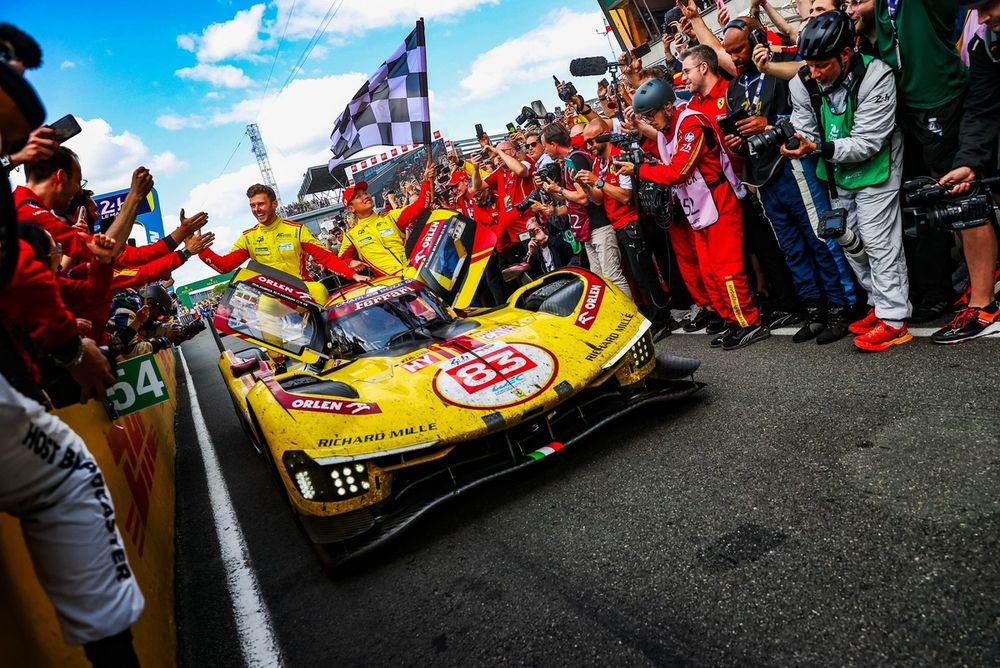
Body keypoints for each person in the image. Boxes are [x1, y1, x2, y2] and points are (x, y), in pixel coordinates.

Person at [783, 10, 912, 352]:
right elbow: (805, 129)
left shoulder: (876, 75)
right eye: (809, 64)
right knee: (850, 242)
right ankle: (877, 304)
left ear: (845, 53)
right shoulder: (802, 82)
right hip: (837, 172)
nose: (814, 73)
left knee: (878, 242)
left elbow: (869, 141)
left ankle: (894, 319)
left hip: (877, 167)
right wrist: (797, 140)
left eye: (822, 65)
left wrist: (818, 147)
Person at [721, 21, 856, 343]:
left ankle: (841, 306)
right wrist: (737, 141)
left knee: (819, 237)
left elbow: (806, 116)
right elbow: (737, 136)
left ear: (756, 40)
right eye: (729, 52)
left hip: (792, 165)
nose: (734, 58)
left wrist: (770, 123)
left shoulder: (782, 71)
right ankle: (814, 309)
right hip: (762, 176)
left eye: (739, 49)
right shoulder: (733, 87)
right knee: (791, 247)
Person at [617, 77, 770, 351]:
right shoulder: (666, 130)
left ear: (667, 106)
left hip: (719, 200)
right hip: (697, 207)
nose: (650, 121)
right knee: (709, 271)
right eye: (645, 117)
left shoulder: (692, 123)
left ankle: (749, 322)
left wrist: (638, 170)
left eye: (651, 115)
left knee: (727, 269)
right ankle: (731, 320)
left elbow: (678, 171)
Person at [871, 0, 973, 323]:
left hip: (939, 98)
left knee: (957, 193)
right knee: (919, 199)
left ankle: (981, 280)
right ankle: (935, 289)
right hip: (905, 106)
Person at [928, 0, 1000, 343]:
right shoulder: (984, 40)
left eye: (988, 6)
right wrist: (968, 163)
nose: (981, 18)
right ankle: (984, 306)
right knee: (968, 200)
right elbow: (982, 107)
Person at [576, 118, 675, 339]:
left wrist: (598, 182)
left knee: (645, 274)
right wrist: (588, 186)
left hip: (632, 222)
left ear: (604, 135)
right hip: (617, 225)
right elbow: (599, 199)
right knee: (636, 276)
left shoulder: (620, 155)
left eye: (591, 141)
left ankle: (662, 319)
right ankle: (655, 316)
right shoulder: (598, 162)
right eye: (586, 143)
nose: (589, 147)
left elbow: (625, 196)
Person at [200, 183, 365, 282]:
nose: (256, 209)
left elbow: (325, 257)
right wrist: (200, 249)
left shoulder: (296, 230)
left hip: (302, 289)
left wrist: (352, 275)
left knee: (321, 292)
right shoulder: (248, 238)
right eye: (252, 205)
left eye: (261, 204)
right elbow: (224, 266)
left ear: (274, 204)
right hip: (271, 298)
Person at [539, 122, 632, 298]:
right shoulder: (567, 162)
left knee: (612, 277)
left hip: (600, 225)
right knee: (600, 280)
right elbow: (573, 199)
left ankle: (633, 314)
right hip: (588, 229)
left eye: (545, 147)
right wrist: (552, 194)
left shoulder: (576, 159)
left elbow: (583, 198)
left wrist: (559, 190)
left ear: (554, 144)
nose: (545, 151)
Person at [338, 155, 435, 276]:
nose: (366, 196)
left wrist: (426, 180)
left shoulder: (391, 217)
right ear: (351, 208)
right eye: (359, 196)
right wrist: (350, 262)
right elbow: (339, 262)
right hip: (391, 284)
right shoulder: (351, 236)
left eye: (365, 193)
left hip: (415, 272)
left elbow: (420, 205)